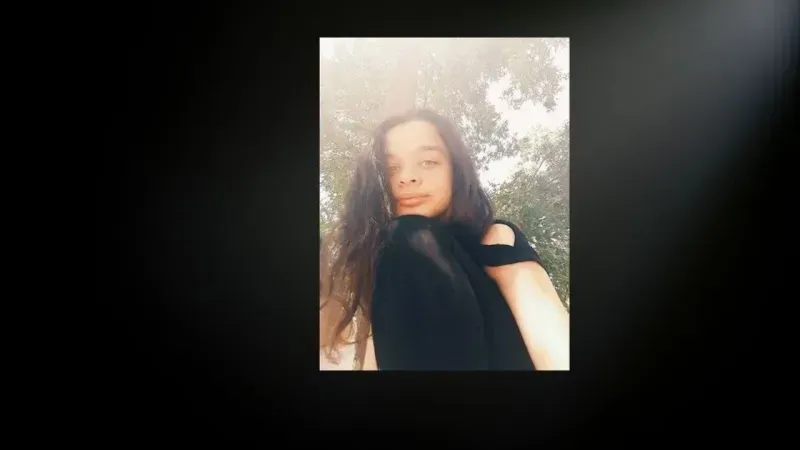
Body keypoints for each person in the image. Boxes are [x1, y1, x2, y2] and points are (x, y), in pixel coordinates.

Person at [320, 109, 569, 370]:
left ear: (455, 171)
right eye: (391, 168)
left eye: (428, 162)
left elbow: (551, 337)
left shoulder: (495, 236)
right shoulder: (387, 258)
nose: (407, 177)